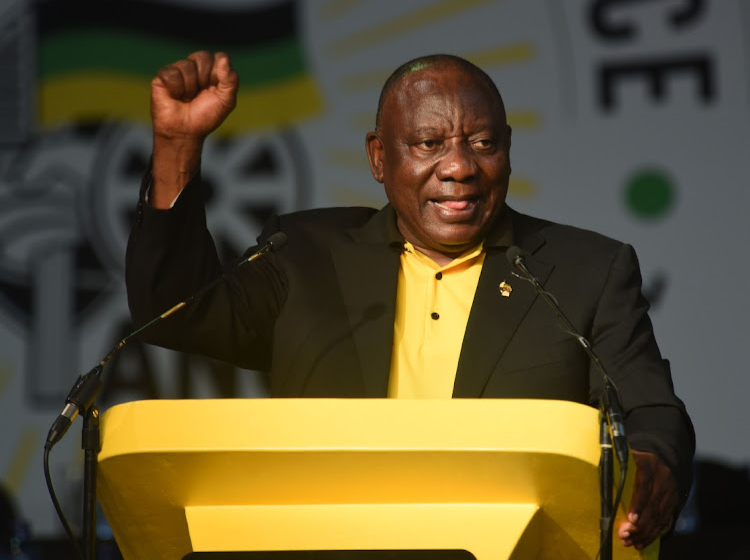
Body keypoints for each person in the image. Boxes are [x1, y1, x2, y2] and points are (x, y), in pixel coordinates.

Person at [126, 50, 694, 551]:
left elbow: (650, 410)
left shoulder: (583, 271)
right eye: (429, 143)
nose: (459, 167)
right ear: (379, 158)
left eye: (483, 143)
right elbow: (175, 311)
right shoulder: (304, 256)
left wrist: (651, 461)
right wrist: (177, 146)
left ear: (508, 151)